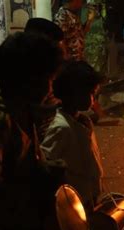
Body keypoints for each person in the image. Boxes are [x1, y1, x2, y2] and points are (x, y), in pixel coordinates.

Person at [0, 32, 64, 230]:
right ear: (28, 80)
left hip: (29, 223)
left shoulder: (26, 111)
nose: (51, 87)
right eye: (48, 79)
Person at [41, 61, 104, 208]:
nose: (93, 98)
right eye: (91, 93)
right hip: (74, 202)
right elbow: (47, 163)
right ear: (75, 94)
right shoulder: (61, 127)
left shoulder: (82, 121)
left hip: (89, 195)